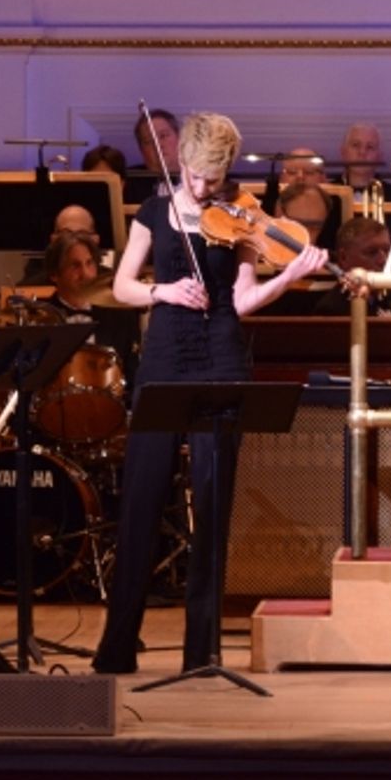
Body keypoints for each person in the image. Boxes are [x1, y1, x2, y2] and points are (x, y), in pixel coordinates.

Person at [92, 112, 328, 675]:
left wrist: (287, 277)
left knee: (214, 504)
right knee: (142, 502)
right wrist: (164, 290)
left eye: (213, 178)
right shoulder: (155, 211)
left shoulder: (240, 216)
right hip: (165, 359)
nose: (203, 189)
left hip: (221, 357)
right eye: (196, 177)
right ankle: (117, 647)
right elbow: (122, 284)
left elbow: (241, 302)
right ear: (180, 161)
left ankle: (204, 652)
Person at [43, 229, 140, 389]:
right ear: (54, 274)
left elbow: (133, 375)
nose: (86, 274)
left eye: (89, 263)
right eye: (75, 266)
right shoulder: (41, 320)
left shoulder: (122, 315)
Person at [340, 122, 391, 205]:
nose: (362, 152)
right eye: (356, 145)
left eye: (370, 147)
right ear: (343, 152)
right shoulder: (326, 196)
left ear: (379, 156)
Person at [134, 108, 180, 175]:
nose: (157, 145)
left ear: (179, 138)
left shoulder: (198, 176)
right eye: (149, 141)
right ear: (141, 150)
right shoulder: (125, 181)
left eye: (163, 136)